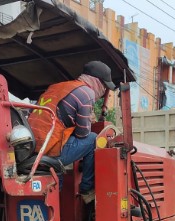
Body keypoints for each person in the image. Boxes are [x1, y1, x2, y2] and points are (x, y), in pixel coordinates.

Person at [28, 61, 116, 203]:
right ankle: (87, 189)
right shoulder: (87, 93)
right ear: (98, 82)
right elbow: (83, 134)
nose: (104, 91)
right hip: (51, 150)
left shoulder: (57, 87)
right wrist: (88, 120)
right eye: (104, 86)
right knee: (94, 139)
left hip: (32, 149)